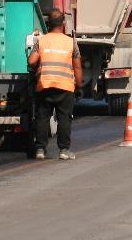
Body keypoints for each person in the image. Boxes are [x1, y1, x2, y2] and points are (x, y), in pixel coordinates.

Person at [27, 9, 84, 160]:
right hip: (65, 87)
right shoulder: (71, 42)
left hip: (44, 85)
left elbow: (31, 61)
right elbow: (77, 66)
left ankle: (40, 149)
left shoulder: (41, 41)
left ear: (48, 24)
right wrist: (79, 85)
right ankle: (64, 150)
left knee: (42, 117)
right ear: (63, 24)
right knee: (64, 118)